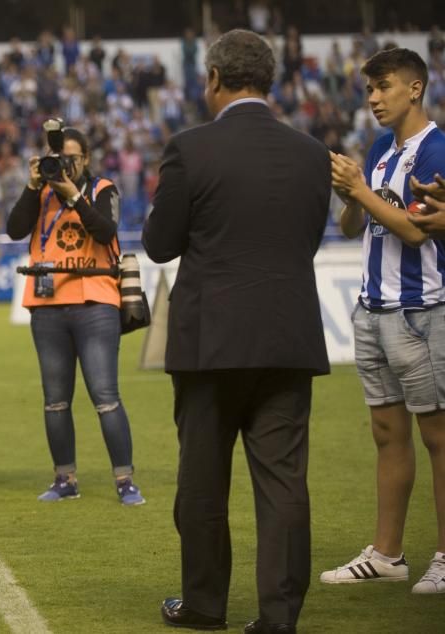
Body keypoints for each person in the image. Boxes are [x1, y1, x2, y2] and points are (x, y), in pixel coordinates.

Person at [143, 30, 330, 633]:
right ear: (268, 82)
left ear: (215, 80)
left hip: (210, 343)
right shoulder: (310, 152)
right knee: (283, 486)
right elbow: (308, 238)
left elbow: (160, 243)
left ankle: (204, 605)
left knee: (202, 482)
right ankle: (279, 617)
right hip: (287, 336)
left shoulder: (190, 148)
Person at [323, 47, 445, 596]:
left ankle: (444, 557)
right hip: (373, 310)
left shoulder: (438, 150)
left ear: (415, 89)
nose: (372, 98)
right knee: (386, 435)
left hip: (421, 312)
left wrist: (362, 191)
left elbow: (417, 231)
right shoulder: (377, 148)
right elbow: (354, 228)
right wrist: (349, 196)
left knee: (438, 438)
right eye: (369, 89)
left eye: (384, 87)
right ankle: (388, 553)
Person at [6, 125, 144, 506]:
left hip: (96, 301)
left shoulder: (102, 189)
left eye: (72, 158)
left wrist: (74, 196)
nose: (65, 165)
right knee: (55, 400)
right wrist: (33, 187)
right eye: (59, 159)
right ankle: (64, 478)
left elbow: (105, 231)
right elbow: (15, 228)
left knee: (105, 396)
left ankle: (125, 480)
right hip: (48, 306)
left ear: (85, 160)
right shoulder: (42, 192)